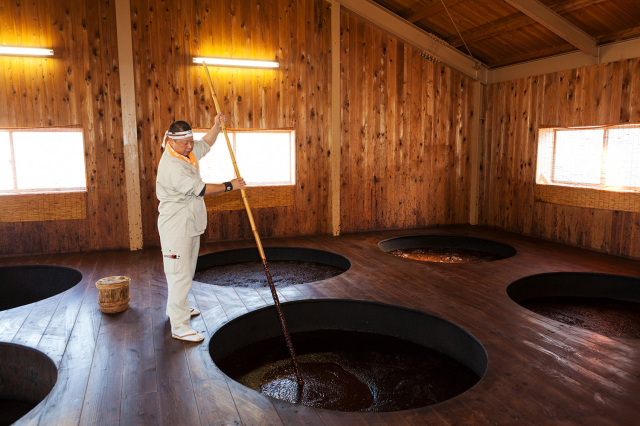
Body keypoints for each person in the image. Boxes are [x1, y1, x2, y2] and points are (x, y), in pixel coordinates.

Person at [156, 113, 245, 342]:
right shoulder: (173, 165)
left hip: (190, 223)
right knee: (179, 274)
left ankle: (179, 310)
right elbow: (201, 189)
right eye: (184, 143)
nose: (189, 146)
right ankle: (179, 326)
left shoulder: (185, 151)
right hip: (176, 227)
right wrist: (229, 186)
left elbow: (205, 144)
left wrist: (216, 126)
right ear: (170, 141)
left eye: (189, 141)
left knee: (186, 271)